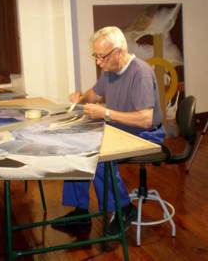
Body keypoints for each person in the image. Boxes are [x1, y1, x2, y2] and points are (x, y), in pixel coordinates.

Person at [52, 26, 163, 234]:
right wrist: (81, 99)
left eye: (101, 57)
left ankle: (124, 208)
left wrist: (105, 113)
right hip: (119, 128)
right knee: (78, 146)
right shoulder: (109, 71)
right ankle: (81, 213)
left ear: (118, 52)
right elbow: (93, 95)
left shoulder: (141, 73)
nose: (98, 62)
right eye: (95, 56)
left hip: (147, 133)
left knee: (99, 157)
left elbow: (145, 119)